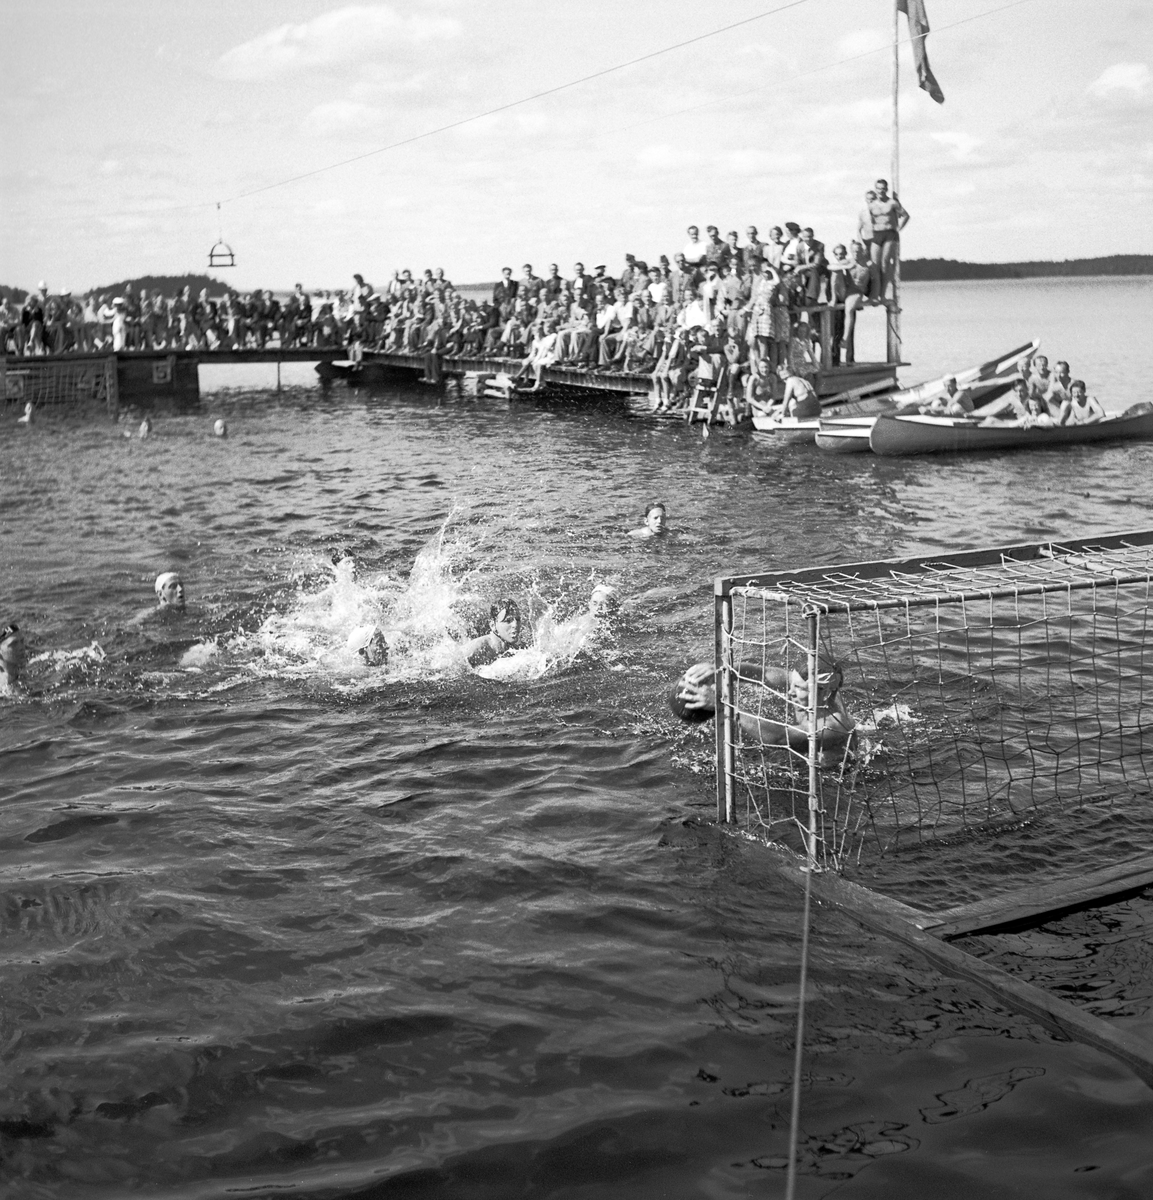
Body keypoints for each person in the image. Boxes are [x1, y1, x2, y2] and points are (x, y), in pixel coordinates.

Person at [669, 657, 856, 760]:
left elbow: (780, 737)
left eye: (798, 688)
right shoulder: (809, 690)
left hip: (829, 777)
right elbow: (762, 674)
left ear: (825, 693)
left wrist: (725, 706)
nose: (789, 691)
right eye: (792, 683)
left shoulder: (834, 725)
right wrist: (722, 670)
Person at [464, 599, 522, 667]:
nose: (515, 625)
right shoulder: (476, 648)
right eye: (508, 621)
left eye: (518, 619)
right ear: (493, 625)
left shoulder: (519, 650)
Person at [0, 623, 26, 694]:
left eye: (22, 641)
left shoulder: (25, 670)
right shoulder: (3, 687)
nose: (21, 647)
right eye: (13, 644)